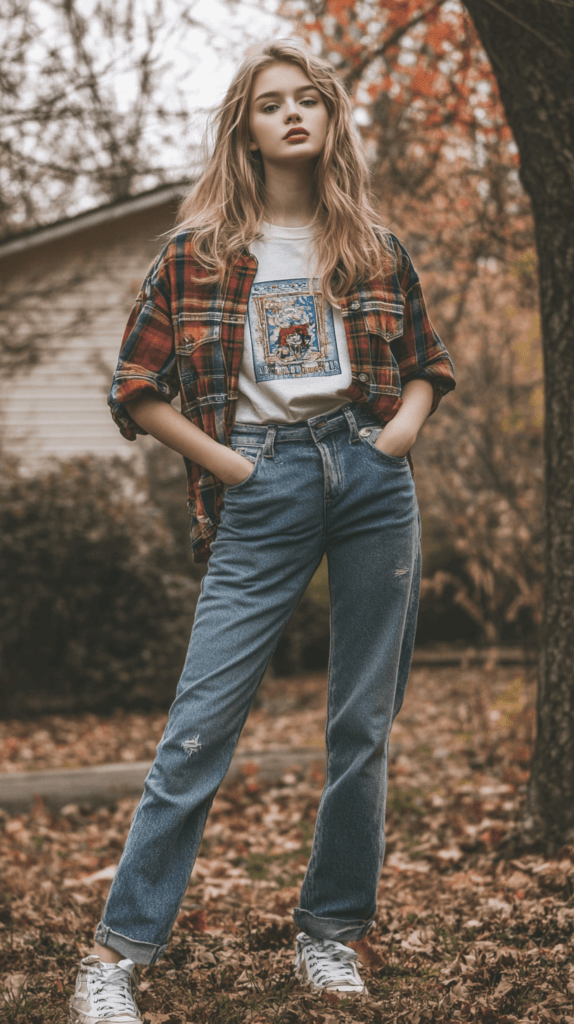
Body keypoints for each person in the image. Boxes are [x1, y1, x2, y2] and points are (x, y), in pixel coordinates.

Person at [69, 39, 455, 1023]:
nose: (291, 115)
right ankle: (115, 955)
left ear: (329, 120)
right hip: (261, 480)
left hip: (371, 477)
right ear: (244, 126)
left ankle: (328, 935)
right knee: (198, 725)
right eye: (270, 104)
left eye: (307, 102)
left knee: (361, 724)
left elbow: (423, 358)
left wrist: (396, 435)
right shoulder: (195, 252)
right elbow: (136, 390)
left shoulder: (373, 244)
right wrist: (233, 464)